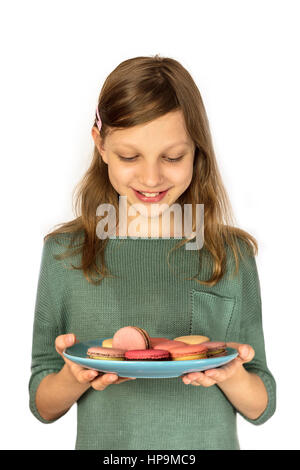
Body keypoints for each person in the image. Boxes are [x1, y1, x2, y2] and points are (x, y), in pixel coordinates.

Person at [29, 54, 276, 450]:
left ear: (197, 149)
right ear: (101, 145)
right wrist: (71, 377)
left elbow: (261, 404)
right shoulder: (64, 253)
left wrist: (230, 373)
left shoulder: (230, 254)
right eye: (129, 157)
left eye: (173, 157)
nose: (150, 177)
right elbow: (42, 403)